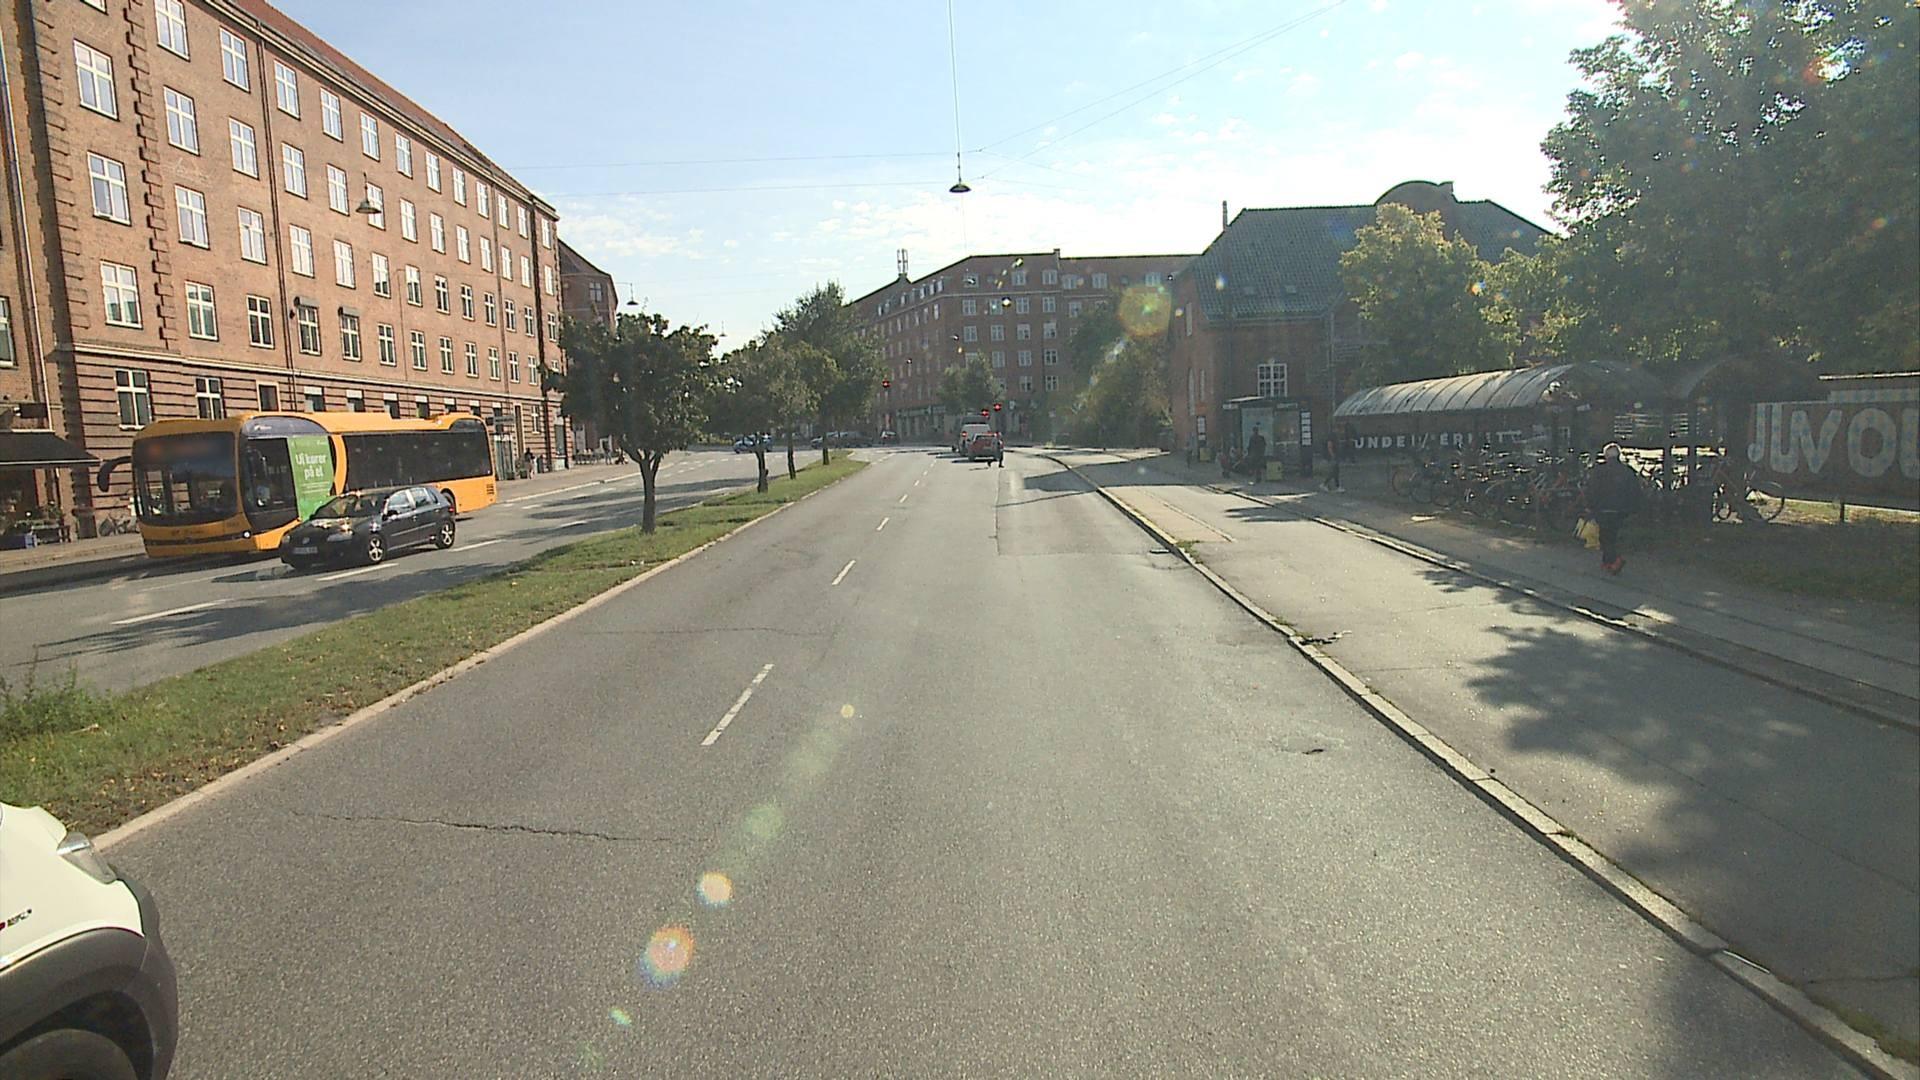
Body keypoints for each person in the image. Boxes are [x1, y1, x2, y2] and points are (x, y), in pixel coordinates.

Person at [1584, 443, 1644, 574]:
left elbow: (1592, 490)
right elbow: (1635, 491)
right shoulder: (1627, 471)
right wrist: (1633, 508)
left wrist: (1590, 505)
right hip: (1621, 509)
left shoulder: (1599, 471)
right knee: (1612, 535)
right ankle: (1607, 562)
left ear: (1606, 456)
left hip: (1603, 508)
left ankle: (1615, 560)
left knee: (1605, 537)